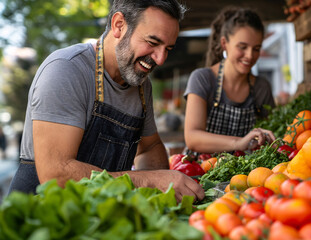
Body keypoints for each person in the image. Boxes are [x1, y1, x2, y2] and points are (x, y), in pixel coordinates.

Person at [8, 0, 204, 203]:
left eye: (168, 49)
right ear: (119, 25)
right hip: (41, 215)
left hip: (98, 214)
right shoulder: (66, 70)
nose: (161, 59)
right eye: (153, 43)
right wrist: (149, 180)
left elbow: (149, 147)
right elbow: (57, 175)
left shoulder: (141, 85)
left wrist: (157, 195)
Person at [183, 7, 276, 155]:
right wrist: (238, 143)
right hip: (200, 171)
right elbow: (192, 139)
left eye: (256, 48)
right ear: (225, 43)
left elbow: (272, 132)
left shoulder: (261, 87)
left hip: (241, 174)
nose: (250, 56)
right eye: (242, 47)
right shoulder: (202, 79)